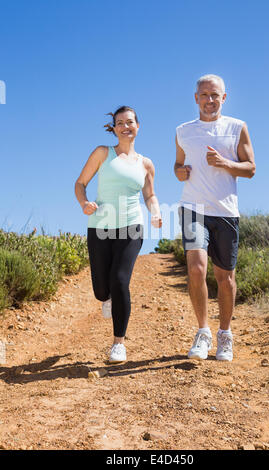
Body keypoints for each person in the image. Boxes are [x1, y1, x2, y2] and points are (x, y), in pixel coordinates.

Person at [175, 74, 255, 362]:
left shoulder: (237, 128)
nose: (210, 100)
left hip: (225, 212)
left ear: (224, 97)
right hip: (192, 207)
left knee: (226, 278)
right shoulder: (183, 131)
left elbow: (250, 168)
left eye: (215, 95)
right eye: (204, 95)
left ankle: (225, 335)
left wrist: (225, 163)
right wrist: (178, 172)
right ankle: (203, 332)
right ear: (196, 98)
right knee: (196, 269)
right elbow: (178, 163)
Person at [75, 106, 162, 363]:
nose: (126, 126)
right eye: (120, 122)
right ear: (114, 128)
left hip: (131, 226)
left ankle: (118, 344)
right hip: (100, 226)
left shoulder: (146, 164)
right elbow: (80, 183)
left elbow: (150, 195)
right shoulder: (103, 153)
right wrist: (84, 203)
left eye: (130, 122)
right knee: (102, 290)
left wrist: (155, 212)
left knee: (120, 279)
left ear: (138, 126)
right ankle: (107, 298)